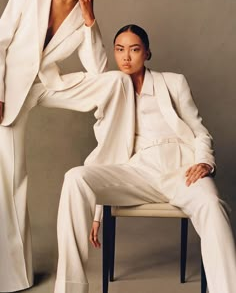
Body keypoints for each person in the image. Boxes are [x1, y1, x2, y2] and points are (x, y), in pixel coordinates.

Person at [55, 24, 236, 293]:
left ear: (147, 53)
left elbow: (199, 131)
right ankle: (69, 288)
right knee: (75, 177)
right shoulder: (112, 88)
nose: (126, 57)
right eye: (119, 50)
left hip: (181, 169)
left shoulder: (173, 82)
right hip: (137, 171)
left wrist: (205, 162)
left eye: (134, 49)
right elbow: (107, 149)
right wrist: (96, 215)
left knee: (211, 204)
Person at [0, 0, 136, 292]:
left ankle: (114, 157)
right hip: (11, 90)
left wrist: (91, 22)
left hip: (49, 85)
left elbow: (98, 70)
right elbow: (0, 42)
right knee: (12, 180)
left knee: (116, 82)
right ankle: (12, 276)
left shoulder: (82, 14)